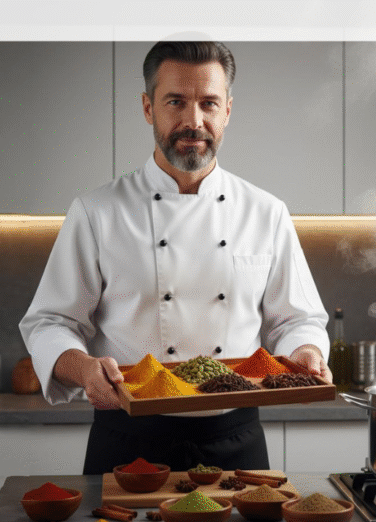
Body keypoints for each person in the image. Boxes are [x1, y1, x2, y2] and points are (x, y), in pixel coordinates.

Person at [19, 41, 331, 475]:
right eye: (175, 102)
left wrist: (309, 353)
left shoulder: (267, 212)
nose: (193, 121)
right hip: (129, 440)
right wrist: (85, 369)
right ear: (148, 108)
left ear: (227, 111)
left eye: (208, 103)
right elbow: (51, 322)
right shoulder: (96, 211)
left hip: (236, 440)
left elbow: (296, 322)